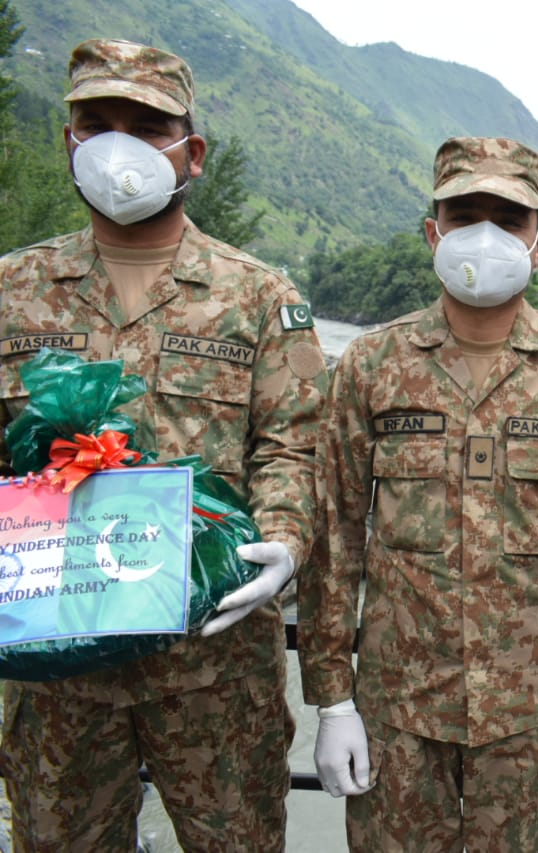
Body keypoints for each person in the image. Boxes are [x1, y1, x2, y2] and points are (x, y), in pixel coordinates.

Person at [0, 39, 327, 851]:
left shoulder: (259, 295)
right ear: (69, 141)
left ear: (192, 151)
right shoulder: (12, 291)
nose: (119, 146)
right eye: (97, 124)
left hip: (213, 662)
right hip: (57, 666)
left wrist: (285, 540)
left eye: (147, 127)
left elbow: (291, 447)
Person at [297, 136, 538, 851]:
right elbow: (335, 534)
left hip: (533, 718)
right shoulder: (371, 364)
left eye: (508, 220)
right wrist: (332, 699)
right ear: (433, 232)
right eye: (464, 215)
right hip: (397, 713)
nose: (485, 234)